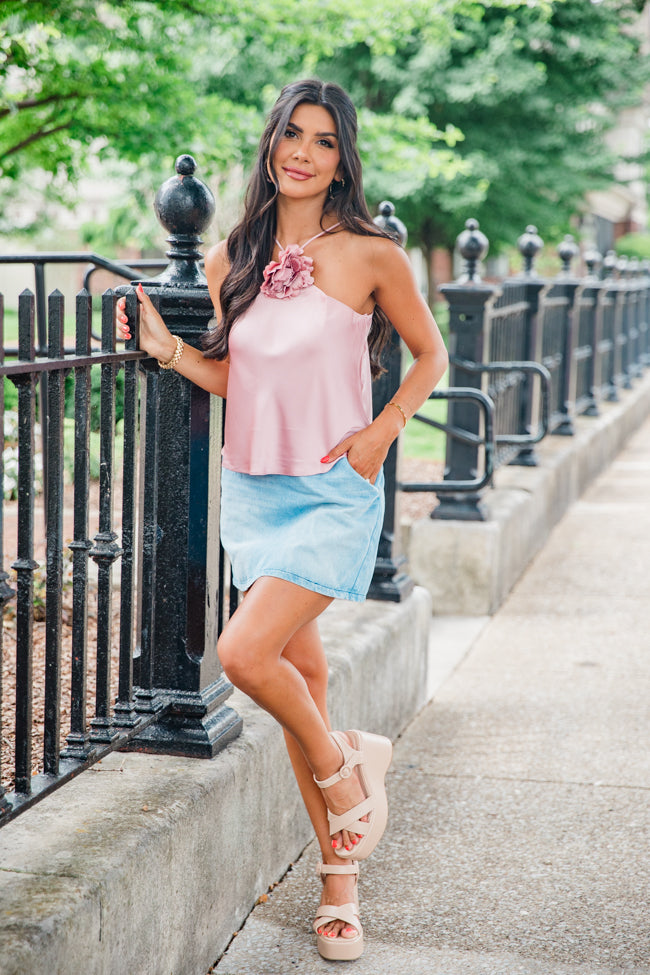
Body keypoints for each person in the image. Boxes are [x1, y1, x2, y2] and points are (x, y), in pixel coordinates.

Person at [116, 78, 448, 962]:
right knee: (303, 675)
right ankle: (341, 883)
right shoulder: (237, 251)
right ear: (271, 145)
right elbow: (241, 377)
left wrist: (383, 430)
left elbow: (431, 354)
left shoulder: (373, 252)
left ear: (343, 160)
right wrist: (172, 349)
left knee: (241, 655)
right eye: (291, 135)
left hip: (335, 487)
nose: (303, 151)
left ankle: (346, 776)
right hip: (255, 493)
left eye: (324, 141)